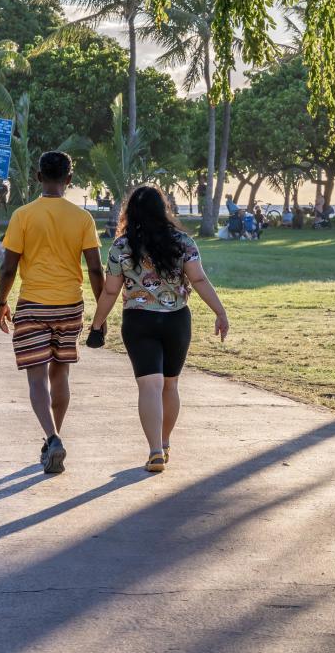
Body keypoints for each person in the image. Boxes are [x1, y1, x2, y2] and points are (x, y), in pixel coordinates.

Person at [87, 186, 229, 473]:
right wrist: (220, 312)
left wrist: (97, 323)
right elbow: (199, 280)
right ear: (163, 209)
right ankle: (164, 443)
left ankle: (154, 451)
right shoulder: (183, 242)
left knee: (148, 386)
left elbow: (110, 292)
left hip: (139, 321)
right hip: (177, 320)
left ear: (130, 213)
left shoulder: (121, 246)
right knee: (170, 384)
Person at [0, 151, 105, 475]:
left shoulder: (23, 215)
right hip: (71, 305)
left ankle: (52, 436)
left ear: (38, 177)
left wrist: (2, 301)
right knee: (61, 374)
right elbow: (96, 269)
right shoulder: (83, 218)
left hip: (32, 305)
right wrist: (102, 312)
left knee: (36, 377)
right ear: (69, 180)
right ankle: (54, 437)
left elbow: (8, 267)